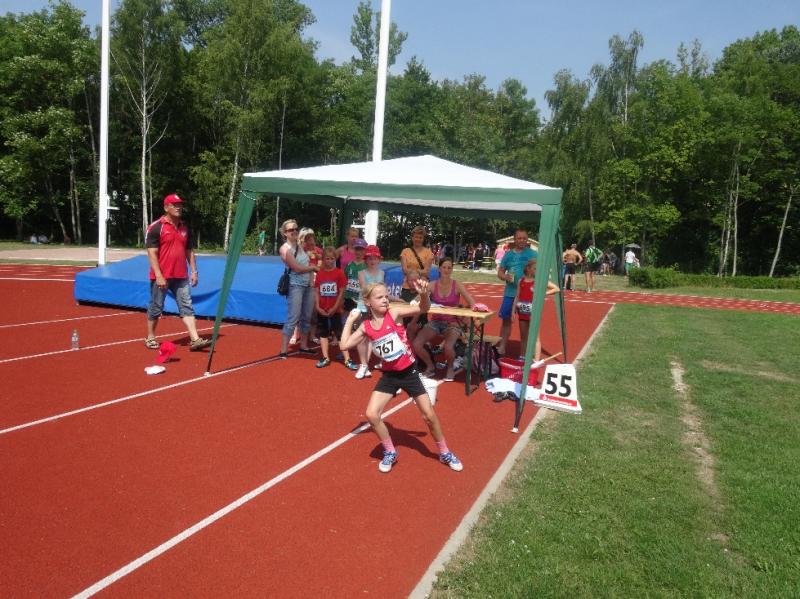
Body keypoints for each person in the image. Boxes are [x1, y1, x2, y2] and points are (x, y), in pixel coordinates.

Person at [340, 281, 464, 474]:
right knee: (372, 414)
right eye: (379, 297)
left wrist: (424, 294)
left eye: (386, 296)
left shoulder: (394, 313)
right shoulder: (366, 327)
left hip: (409, 374)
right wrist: (349, 320)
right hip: (390, 376)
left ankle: (445, 452)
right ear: (368, 302)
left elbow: (424, 308)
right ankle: (390, 451)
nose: (385, 300)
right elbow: (344, 345)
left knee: (429, 416)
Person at [144, 193, 211, 352]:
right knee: (156, 307)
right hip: (162, 276)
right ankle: (150, 337)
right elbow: (152, 253)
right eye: (175, 205)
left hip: (181, 275)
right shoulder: (156, 227)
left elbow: (189, 251)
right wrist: (159, 275)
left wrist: (194, 271)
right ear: (166, 208)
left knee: (187, 306)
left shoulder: (185, 228)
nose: (179, 207)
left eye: (180, 204)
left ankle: (195, 339)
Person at [412, 257, 475, 381]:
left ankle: (450, 368)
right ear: (439, 269)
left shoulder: (457, 285)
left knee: (448, 347)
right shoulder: (432, 285)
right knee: (417, 344)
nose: (446, 270)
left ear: (452, 270)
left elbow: (472, 304)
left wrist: (465, 318)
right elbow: (417, 299)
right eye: (444, 267)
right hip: (436, 322)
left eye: (449, 268)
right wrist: (413, 302)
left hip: (453, 323)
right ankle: (430, 366)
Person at [278, 219, 319, 358]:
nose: (294, 231)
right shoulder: (285, 249)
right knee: (293, 317)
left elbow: (311, 254)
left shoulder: (300, 246)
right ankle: (283, 350)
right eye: (291, 230)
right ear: (285, 233)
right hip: (295, 286)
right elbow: (296, 268)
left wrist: (311, 281)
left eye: (296, 228)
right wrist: (313, 268)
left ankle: (304, 346)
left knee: (307, 316)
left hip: (308, 286)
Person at [496, 229, 537, 356]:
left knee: (526, 324)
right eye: (519, 238)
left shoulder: (534, 254)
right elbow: (500, 272)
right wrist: (505, 276)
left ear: (527, 239)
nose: (522, 240)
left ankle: (525, 353)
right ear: (514, 240)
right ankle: (502, 347)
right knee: (506, 320)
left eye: (524, 238)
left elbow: (540, 271)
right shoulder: (508, 255)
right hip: (510, 293)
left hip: (527, 296)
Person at [313, 247, 353, 369]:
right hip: (322, 309)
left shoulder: (339, 273)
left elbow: (341, 292)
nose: (329, 261)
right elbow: (317, 291)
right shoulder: (320, 274)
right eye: (327, 258)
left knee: (339, 333)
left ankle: (347, 359)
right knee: (323, 333)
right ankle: (325, 357)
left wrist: (335, 307)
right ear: (323, 259)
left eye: (332, 259)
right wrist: (317, 306)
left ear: (335, 259)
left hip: (335, 309)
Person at [513, 258, 560, 361]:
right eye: (535, 268)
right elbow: (517, 296)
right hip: (522, 312)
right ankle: (522, 356)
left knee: (535, 337)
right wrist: (513, 311)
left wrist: (544, 293)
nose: (537, 271)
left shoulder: (539, 281)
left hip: (534, 313)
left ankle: (536, 359)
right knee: (523, 336)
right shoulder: (521, 281)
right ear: (528, 269)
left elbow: (556, 288)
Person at [343, 238, 369, 374]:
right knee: (346, 323)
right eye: (357, 249)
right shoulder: (349, 265)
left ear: (365, 251)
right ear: (354, 250)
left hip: (360, 300)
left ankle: (361, 353)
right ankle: (345, 350)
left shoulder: (366, 266)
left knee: (360, 326)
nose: (359, 252)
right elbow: (344, 281)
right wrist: (342, 297)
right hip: (349, 298)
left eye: (361, 250)